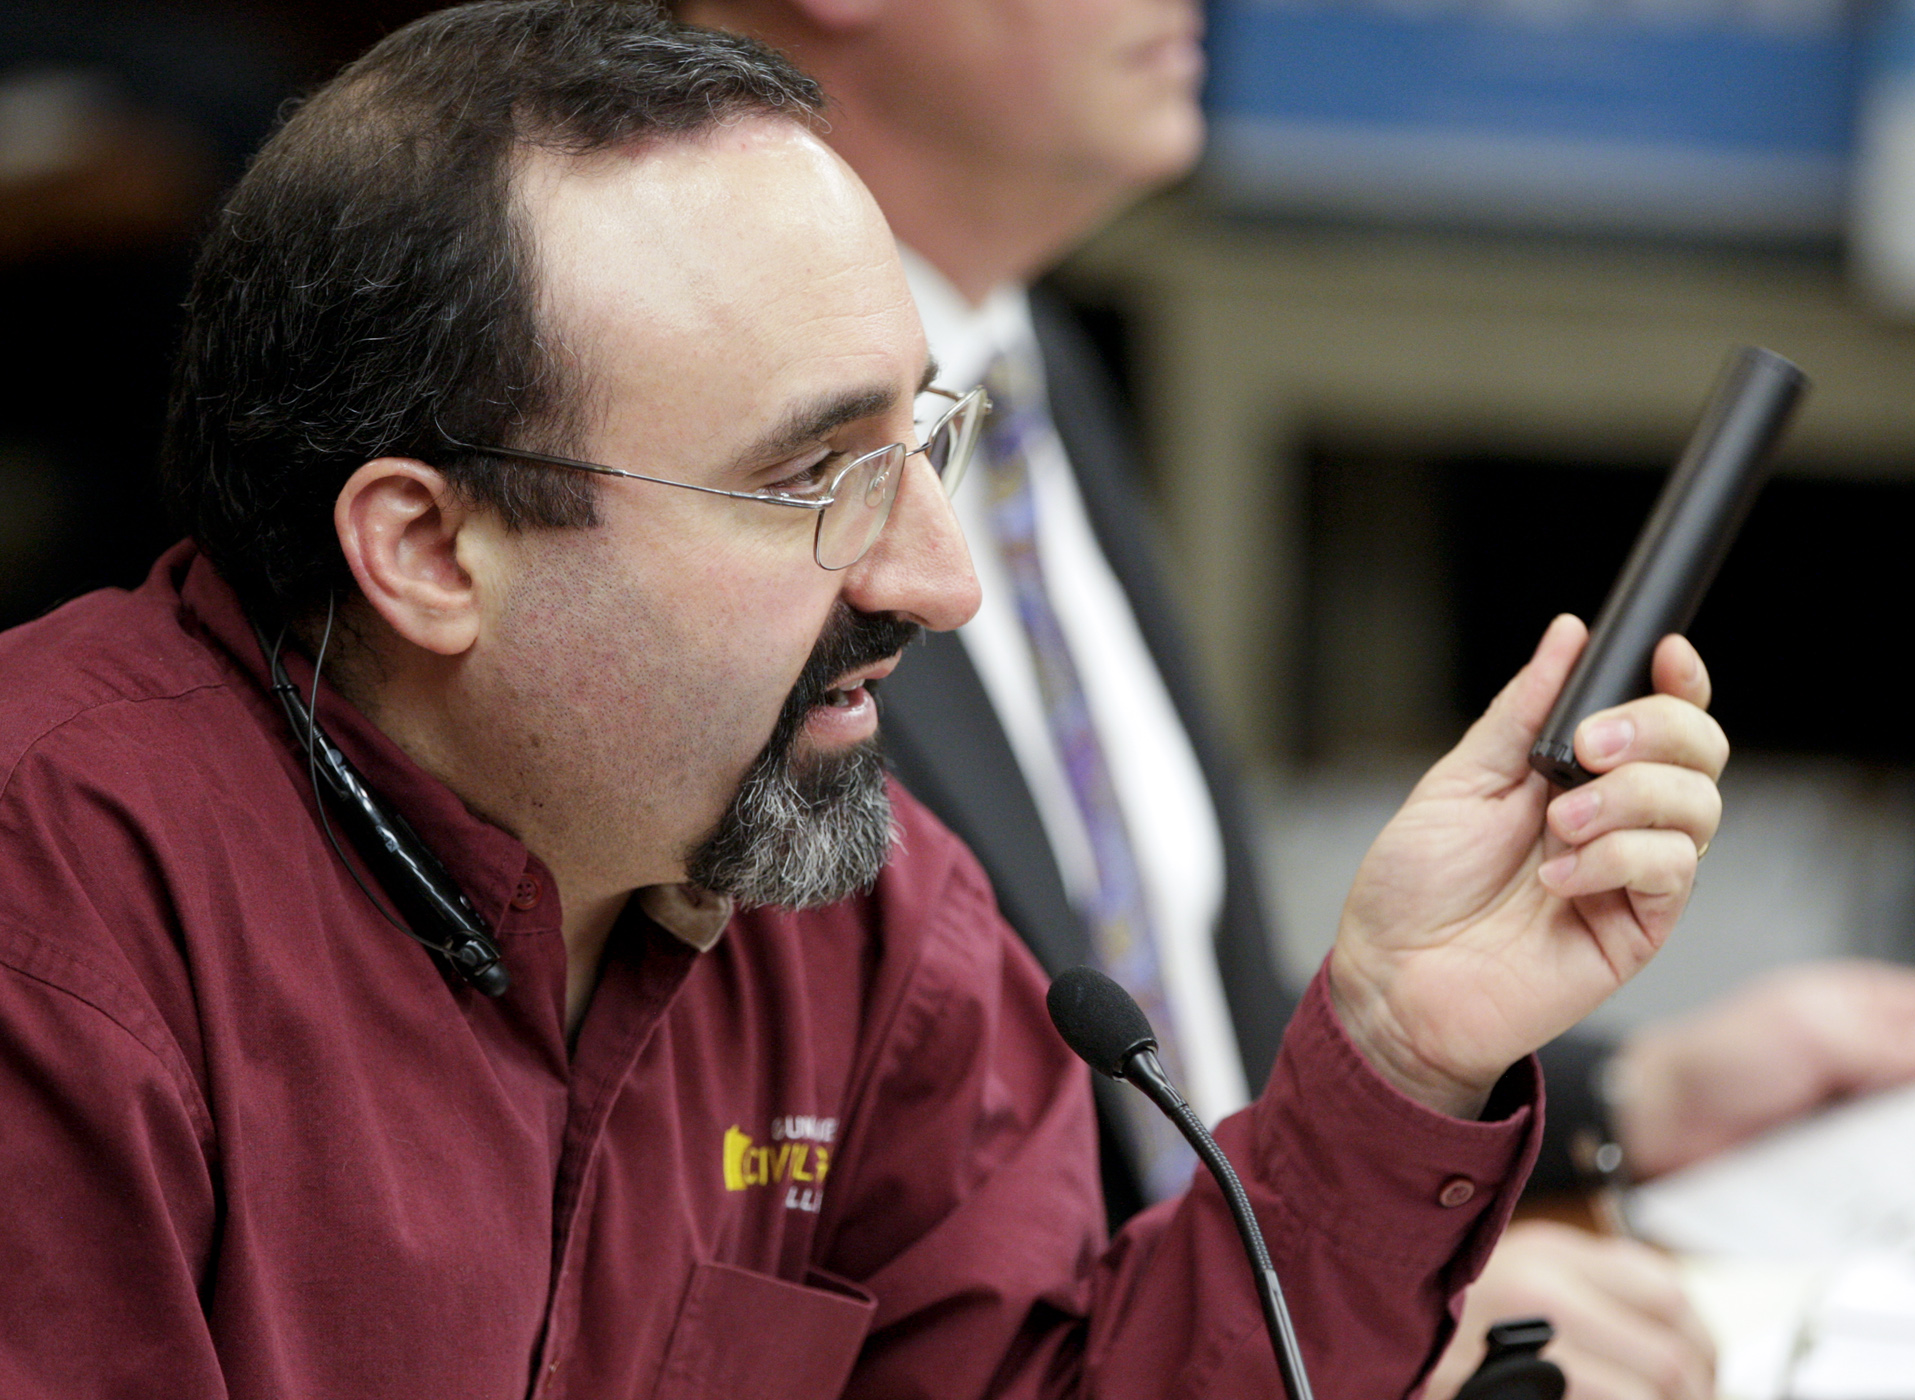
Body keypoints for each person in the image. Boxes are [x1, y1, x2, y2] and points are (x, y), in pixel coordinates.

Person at [0, 3, 1732, 1396]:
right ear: (429, 550)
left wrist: (1401, 1051)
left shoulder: (870, 912)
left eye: (923, 439)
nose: (937, 580)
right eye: (809, 478)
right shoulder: (65, 913)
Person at [676, 1, 1915, 1397]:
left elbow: (1154, 1010)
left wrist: (1635, 1096)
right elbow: (865, 1195)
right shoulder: (711, 493)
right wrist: (1386, 1303)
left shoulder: (1021, 359)